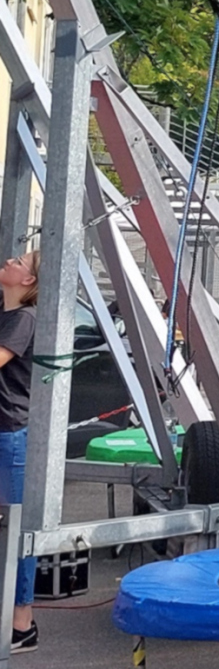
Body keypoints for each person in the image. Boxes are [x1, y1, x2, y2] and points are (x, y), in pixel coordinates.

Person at [0, 253, 40, 652]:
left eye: (20, 261)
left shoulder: (23, 319)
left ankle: (22, 623)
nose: (10, 260)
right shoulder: (5, 310)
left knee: (16, 527)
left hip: (10, 433)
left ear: (28, 280)